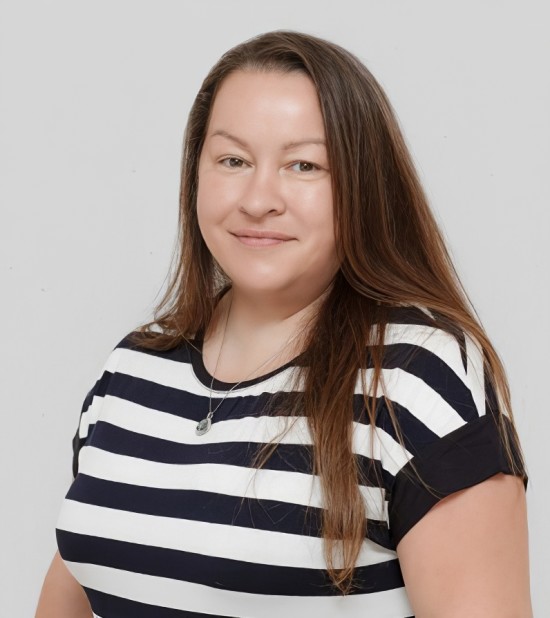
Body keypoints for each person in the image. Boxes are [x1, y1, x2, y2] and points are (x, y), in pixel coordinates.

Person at [36, 30, 532, 618]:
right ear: (196, 173)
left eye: (304, 165)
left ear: (362, 185)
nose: (258, 199)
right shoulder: (134, 368)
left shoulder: (419, 379)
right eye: (233, 160)